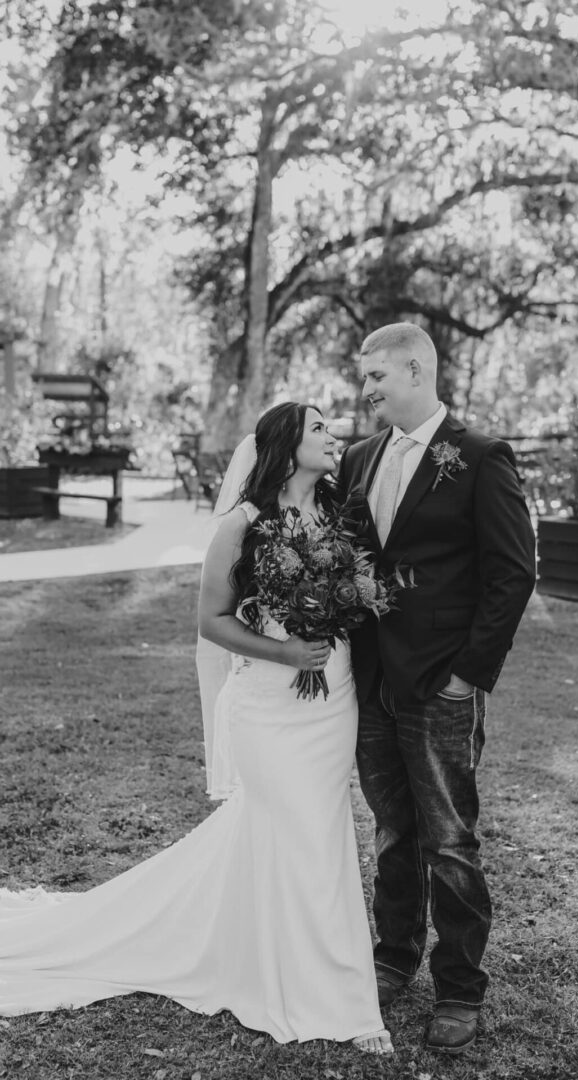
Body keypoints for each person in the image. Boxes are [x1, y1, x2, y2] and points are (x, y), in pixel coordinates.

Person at [0, 402, 392, 1055]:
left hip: (332, 700)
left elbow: (363, 591)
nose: (333, 437)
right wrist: (286, 652)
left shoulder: (338, 514)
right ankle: (330, 996)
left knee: (321, 832)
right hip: (268, 705)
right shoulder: (240, 524)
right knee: (295, 830)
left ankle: (301, 967)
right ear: (285, 446)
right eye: (319, 428)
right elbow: (211, 621)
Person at [338, 323, 536, 1055]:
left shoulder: (480, 457)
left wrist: (466, 676)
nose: (366, 390)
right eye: (364, 378)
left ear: (416, 370)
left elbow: (513, 573)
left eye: (376, 377)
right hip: (371, 681)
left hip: (441, 685)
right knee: (393, 832)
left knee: (449, 842)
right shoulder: (358, 458)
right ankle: (393, 957)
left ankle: (458, 986)